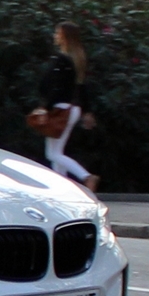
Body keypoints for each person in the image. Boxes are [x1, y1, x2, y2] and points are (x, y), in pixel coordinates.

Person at [38, 21, 100, 192]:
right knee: (58, 152)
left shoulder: (61, 60)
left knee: (52, 154)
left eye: (57, 33)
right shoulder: (77, 60)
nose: (55, 36)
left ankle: (86, 176)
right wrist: (87, 111)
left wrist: (46, 108)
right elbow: (82, 87)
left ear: (64, 36)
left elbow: (54, 87)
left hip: (60, 109)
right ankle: (62, 188)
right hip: (73, 109)